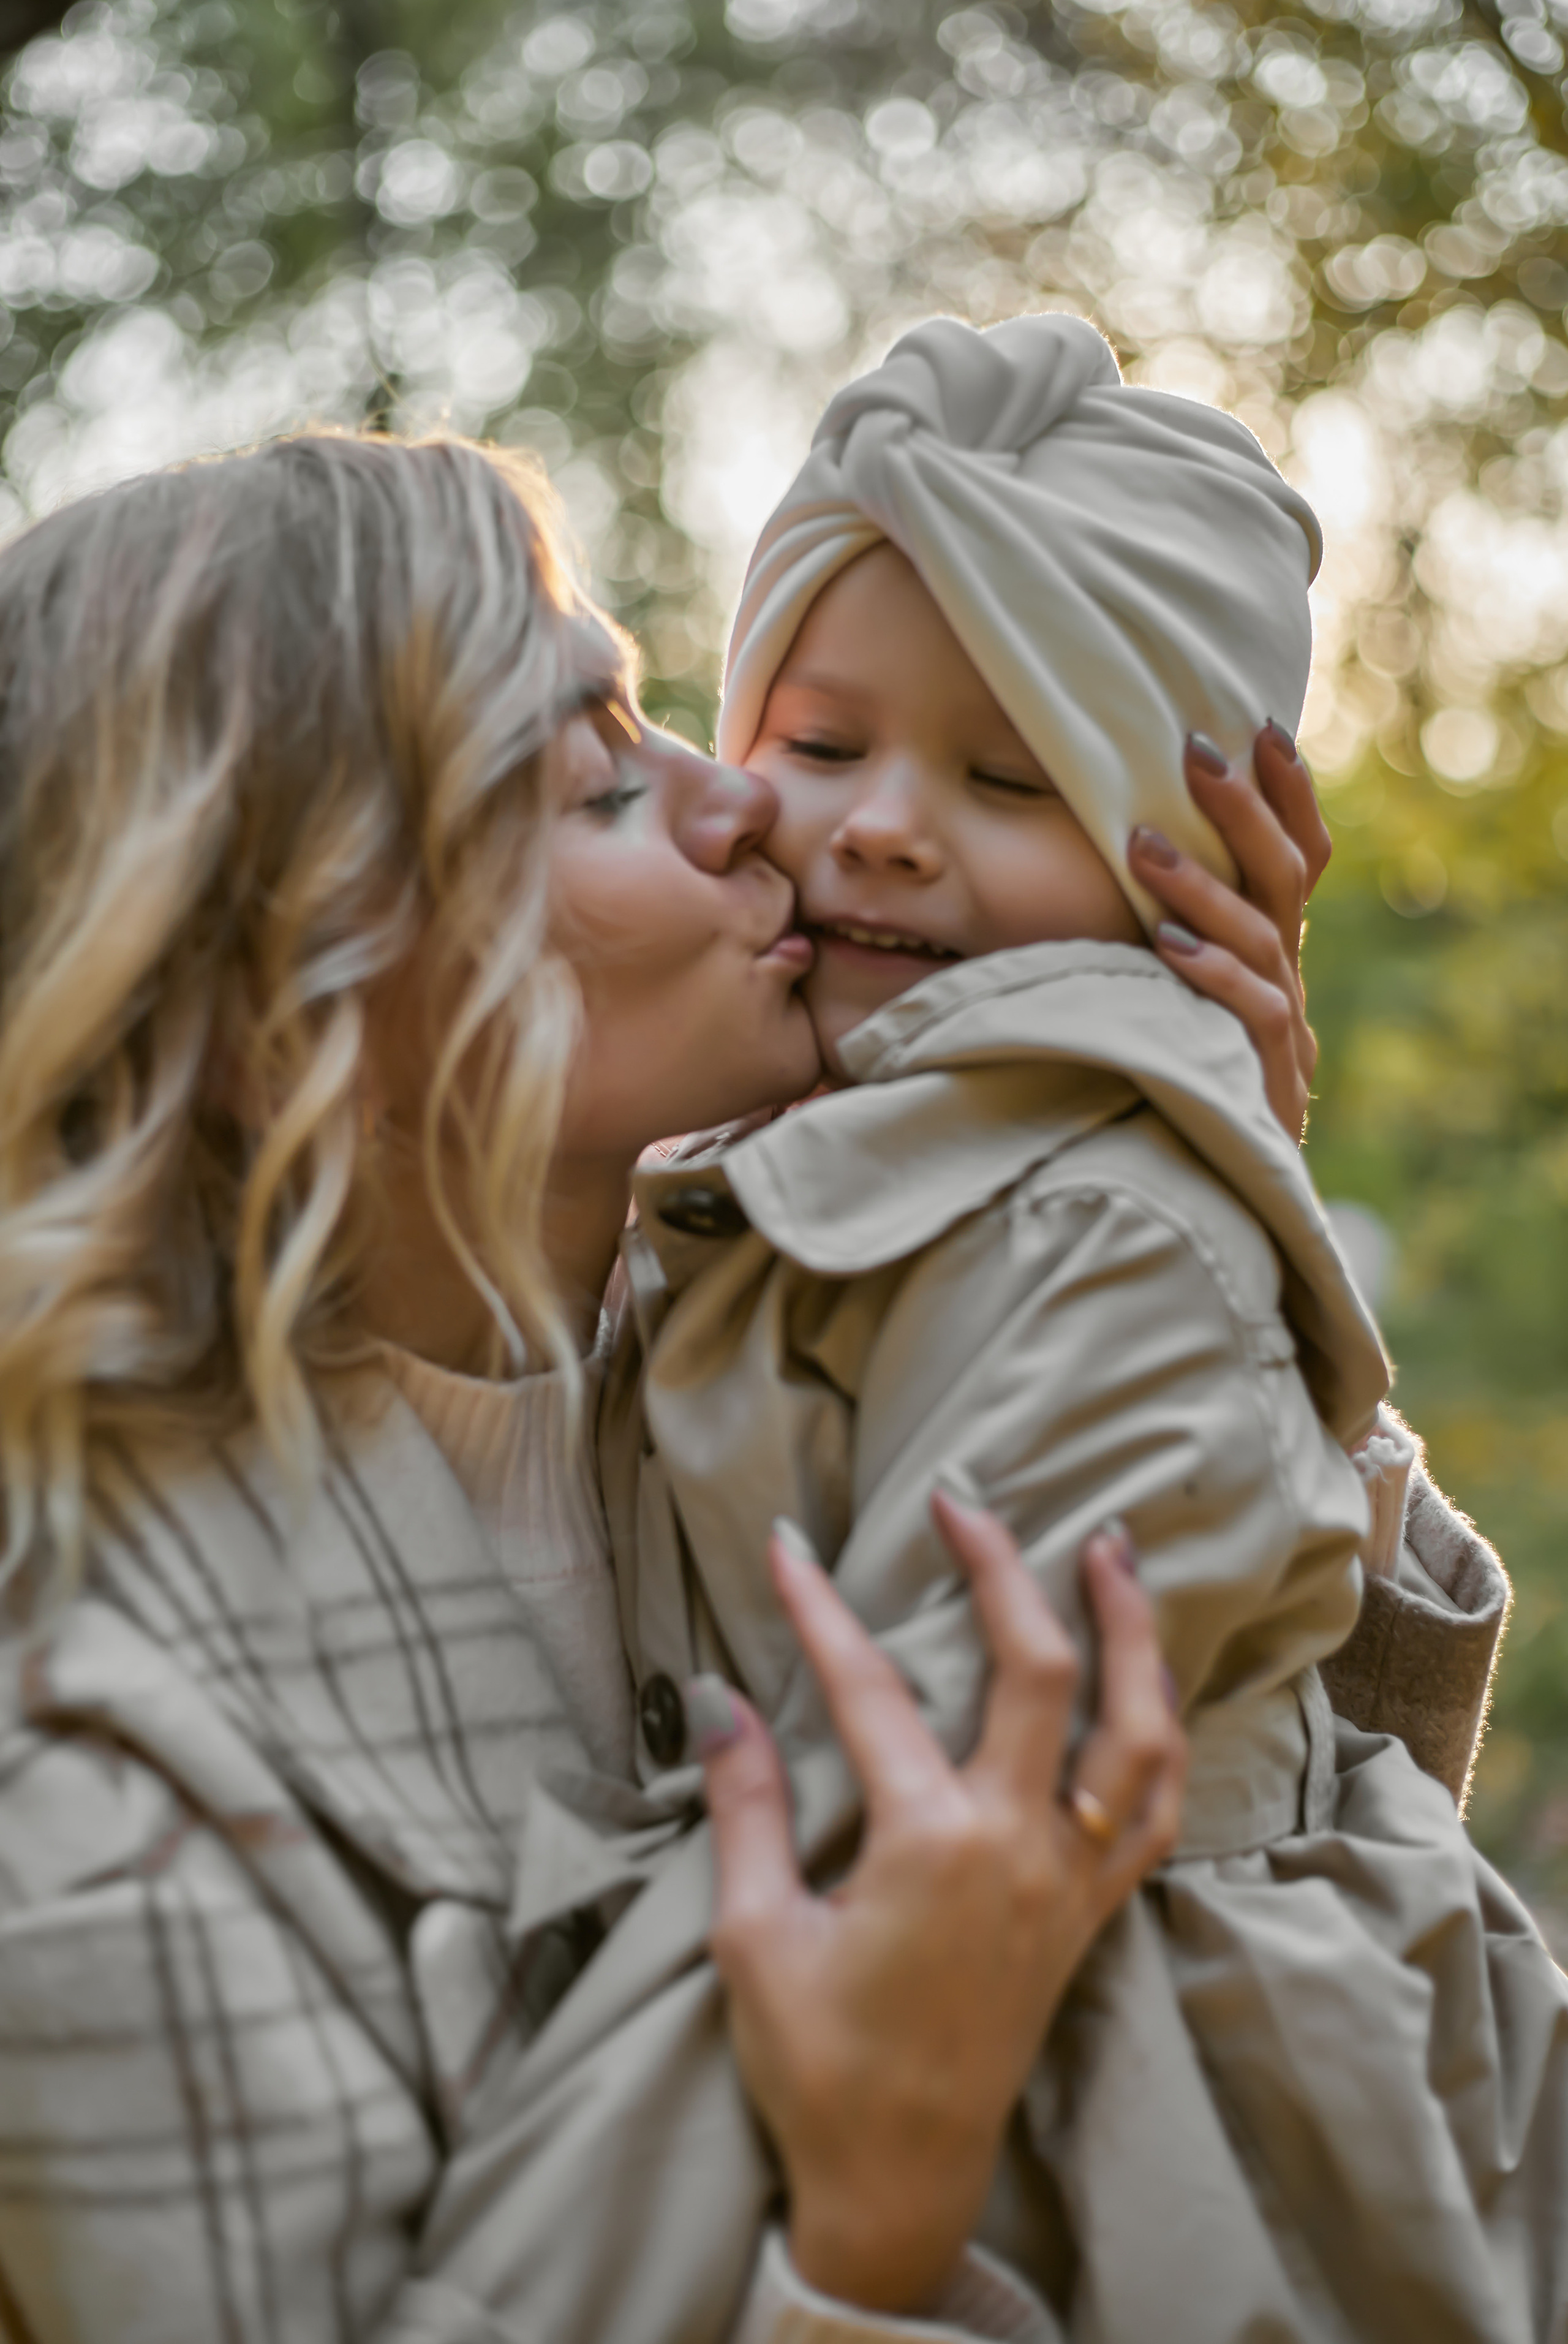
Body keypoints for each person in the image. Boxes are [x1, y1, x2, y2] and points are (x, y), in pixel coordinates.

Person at [0, 424, 1509, 2344]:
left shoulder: (789, 1324)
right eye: (605, 781)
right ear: (283, 996)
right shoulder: (85, 1778)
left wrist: (1201, 1236)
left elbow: (1271, 1929)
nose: (750, 806)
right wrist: (856, 2249)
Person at [439, 312, 1564, 2344]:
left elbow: (882, 1843)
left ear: (1195, 863)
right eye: (822, 742)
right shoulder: (756, 1167)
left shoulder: (1094, 1233)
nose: (877, 827)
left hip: (1145, 2164)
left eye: (1012, 772)